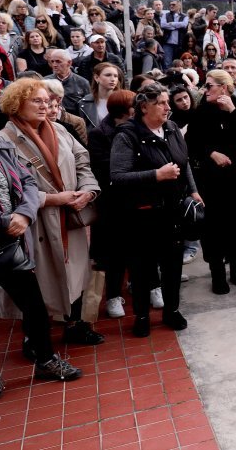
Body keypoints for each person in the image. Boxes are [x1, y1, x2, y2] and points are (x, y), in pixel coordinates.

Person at [0, 78, 103, 347]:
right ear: (17, 103)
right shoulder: (3, 140)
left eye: (47, 100)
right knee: (38, 283)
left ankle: (74, 325)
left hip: (69, 217)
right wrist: (53, 199)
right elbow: (6, 190)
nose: (45, 106)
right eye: (37, 100)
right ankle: (34, 340)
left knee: (74, 272)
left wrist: (88, 191)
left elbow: (83, 162)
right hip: (34, 224)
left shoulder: (60, 130)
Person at [110, 83, 201, 337]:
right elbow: (117, 176)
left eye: (166, 102)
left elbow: (184, 163)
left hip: (173, 211)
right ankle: (141, 316)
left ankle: (171, 310)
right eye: (161, 103)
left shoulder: (171, 128)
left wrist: (193, 190)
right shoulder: (127, 135)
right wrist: (156, 175)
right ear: (144, 107)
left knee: (173, 265)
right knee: (142, 268)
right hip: (142, 213)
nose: (167, 107)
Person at [0, 131, 83, 392]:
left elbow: (27, 181)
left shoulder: (2, 145)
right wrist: (4, 222)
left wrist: (24, 214)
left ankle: (46, 360)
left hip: (11, 244)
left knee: (34, 307)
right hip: (5, 230)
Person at [187, 70, 236, 293]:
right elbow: (191, 143)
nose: (205, 90)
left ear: (223, 88)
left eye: (209, 86)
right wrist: (211, 153)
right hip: (211, 181)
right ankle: (217, 273)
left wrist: (233, 113)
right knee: (213, 228)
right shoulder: (201, 112)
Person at [86, 90, 136, 318]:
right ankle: (114, 296)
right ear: (125, 110)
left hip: (136, 198)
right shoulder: (98, 134)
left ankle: (144, 285)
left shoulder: (139, 128)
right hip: (112, 202)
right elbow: (104, 168)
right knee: (114, 252)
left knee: (139, 246)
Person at [77, 62, 121, 130]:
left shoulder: (123, 101)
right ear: (96, 77)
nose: (113, 79)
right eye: (108, 75)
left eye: (115, 76)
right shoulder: (84, 103)